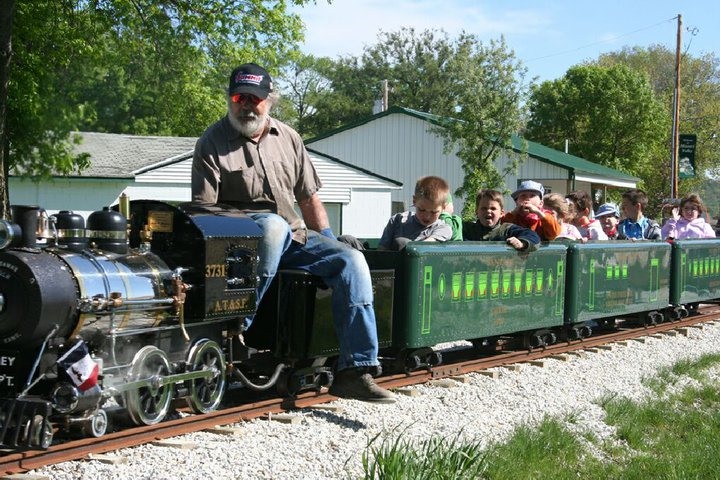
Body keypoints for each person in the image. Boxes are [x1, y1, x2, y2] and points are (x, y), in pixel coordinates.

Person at [191, 63, 395, 403]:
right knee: (272, 226)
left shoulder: (289, 138)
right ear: (230, 98)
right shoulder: (211, 143)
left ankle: (355, 371)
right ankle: (236, 329)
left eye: (254, 99)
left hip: (296, 239)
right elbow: (202, 212)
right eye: (239, 97)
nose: (246, 105)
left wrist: (329, 238)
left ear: (269, 100)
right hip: (241, 240)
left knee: (353, 260)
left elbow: (308, 196)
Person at [378, 176, 453, 251]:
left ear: (444, 207)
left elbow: (425, 246)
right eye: (422, 210)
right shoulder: (398, 220)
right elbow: (382, 251)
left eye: (434, 212)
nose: (427, 216)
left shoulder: (443, 228)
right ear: (414, 201)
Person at [463, 189, 540, 251]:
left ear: (501, 213)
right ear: (476, 211)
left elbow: (533, 236)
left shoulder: (507, 229)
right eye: (484, 208)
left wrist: (522, 243)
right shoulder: (467, 229)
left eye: (493, 208)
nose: (488, 211)